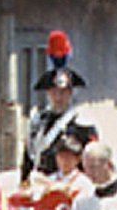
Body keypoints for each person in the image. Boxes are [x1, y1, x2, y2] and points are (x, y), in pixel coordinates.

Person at [23, 30, 98, 181]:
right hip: (41, 185)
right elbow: (28, 160)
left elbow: (91, 161)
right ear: (48, 93)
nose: (58, 97)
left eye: (63, 92)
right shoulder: (38, 121)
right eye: (54, 92)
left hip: (71, 186)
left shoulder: (82, 124)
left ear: (70, 93)